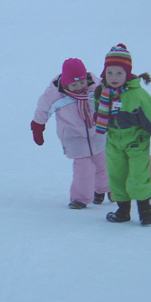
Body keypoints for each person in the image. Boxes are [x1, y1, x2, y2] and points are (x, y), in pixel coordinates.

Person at [94, 44, 151, 226]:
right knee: (117, 177)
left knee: (137, 177)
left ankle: (145, 211)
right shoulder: (103, 93)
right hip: (114, 141)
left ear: (128, 73)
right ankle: (123, 211)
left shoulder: (137, 96)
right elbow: (97, 114)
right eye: (110, 73)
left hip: (136, 143)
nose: (114, 78)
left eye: (119, 73)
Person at [32, 58, 110, 209]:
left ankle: (102, 189)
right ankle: (80, 198)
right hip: (73, 136)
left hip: (97, 130)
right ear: (66, 82)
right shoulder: (55, 94)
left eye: (81, 83)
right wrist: (38, 128)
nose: (79, 87)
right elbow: (42, 110)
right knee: (84, 167)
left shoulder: (95, 85)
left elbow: (109, 95)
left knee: (102, 162)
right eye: (74, 84)